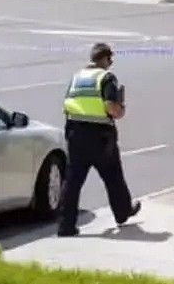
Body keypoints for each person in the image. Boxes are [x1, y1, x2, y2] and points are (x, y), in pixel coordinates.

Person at [57, 42, 141, 236]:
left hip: (75, 132)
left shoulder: (77, 77)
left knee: (72, 181)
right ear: (104, 59)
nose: (110, 63)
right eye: (110, 59)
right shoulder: (106, 78)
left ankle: (65, 226)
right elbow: (111, 107)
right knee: (113, 176)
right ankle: (122, 212)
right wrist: (121, 110)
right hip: (100, 134)